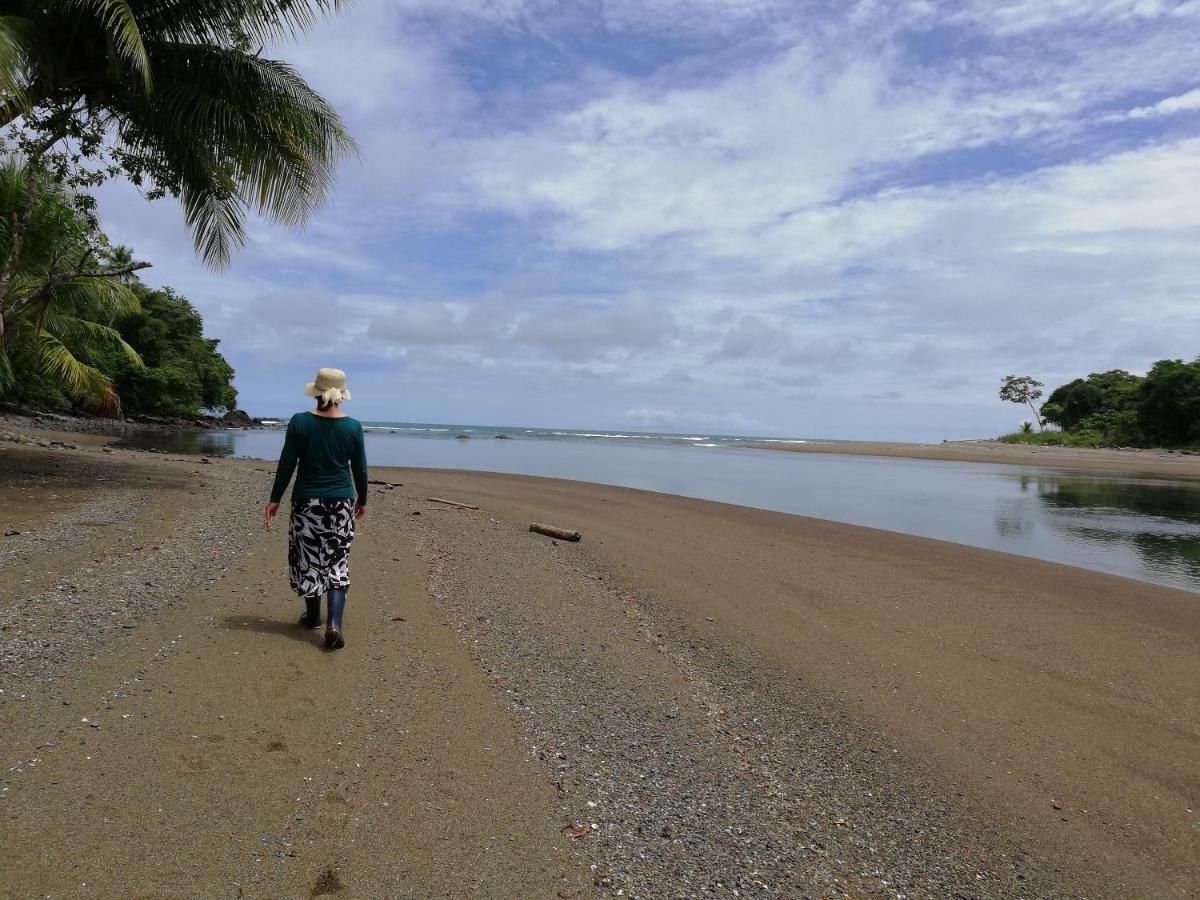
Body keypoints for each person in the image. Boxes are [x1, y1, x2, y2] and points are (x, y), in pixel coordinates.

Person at [264, 368, 368, 650]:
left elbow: (288, 463)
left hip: (306, 502)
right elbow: (359, 467)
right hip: (341, 502)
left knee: (308, 558)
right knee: (336, 560)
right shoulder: (353, 427)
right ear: (341, 395)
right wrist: (362, 500)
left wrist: (275, 498)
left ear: (317, 392)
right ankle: (334, 624)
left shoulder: (299, 422)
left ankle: (312, 618)